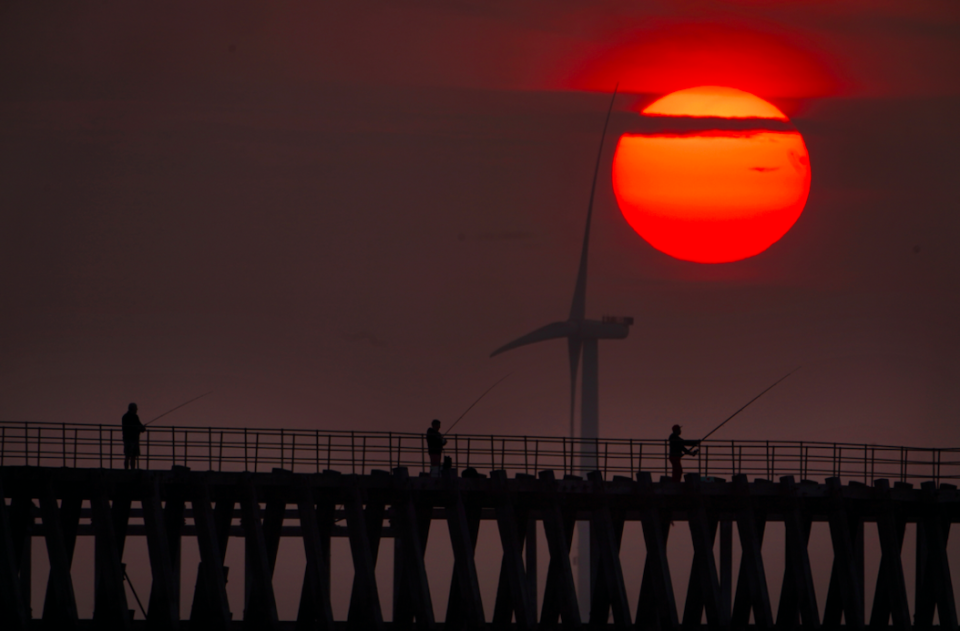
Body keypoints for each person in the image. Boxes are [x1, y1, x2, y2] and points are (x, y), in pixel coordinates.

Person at [122, 403, 147, 470]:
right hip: (133, 439)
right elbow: (138, 427)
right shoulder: (135, 417)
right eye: (136, 408)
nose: (137, 410)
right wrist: (142, 428)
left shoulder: (125, 417)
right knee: (133, 456)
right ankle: (132, 469)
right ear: (133, 408)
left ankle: (126, 469)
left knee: (127, 455)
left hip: (127, 438)